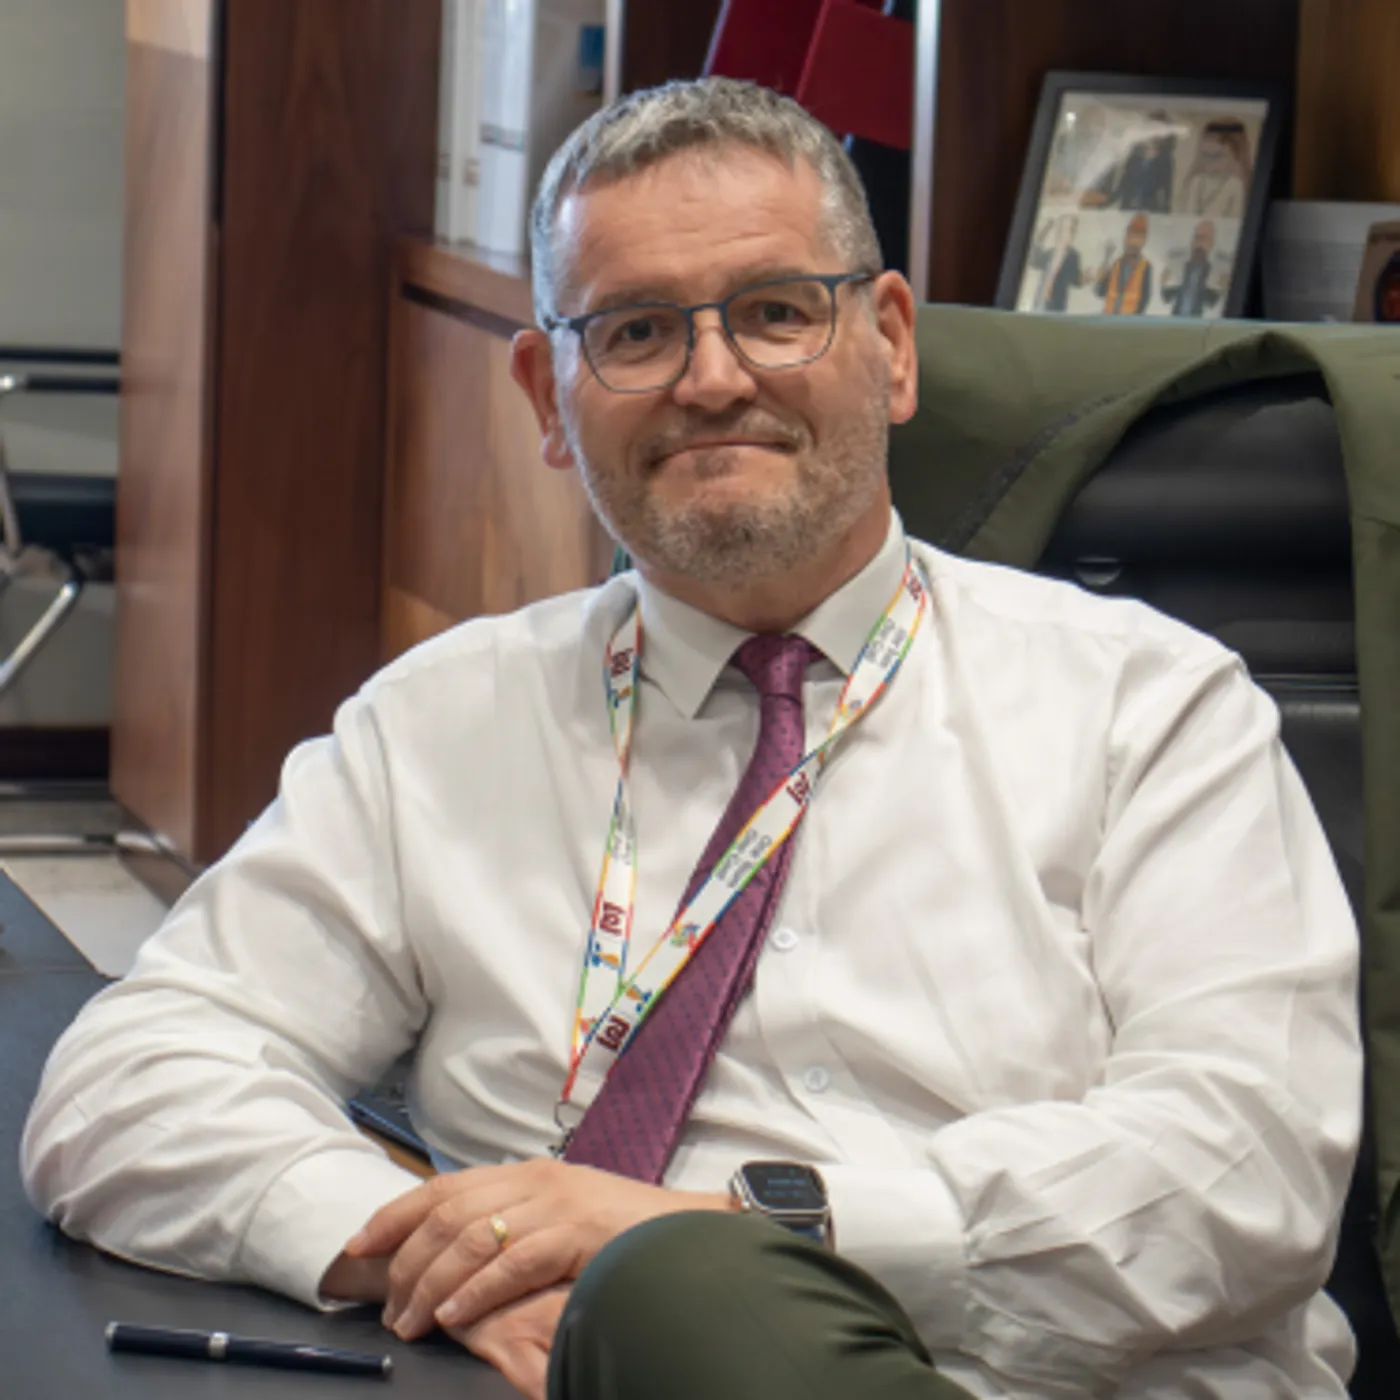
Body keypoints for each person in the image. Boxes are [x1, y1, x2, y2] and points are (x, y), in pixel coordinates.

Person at [22, 78, 1360, 1400]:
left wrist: (728, 1239)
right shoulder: (442, 724)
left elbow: (1245, 1166)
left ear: (892, 345)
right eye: (637, 332)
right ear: (546, 394)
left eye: (777, 311)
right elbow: (127, 1087)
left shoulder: (1149, 709)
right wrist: (467, 1256)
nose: (711, 380)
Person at [1077, 112, 1177, 213]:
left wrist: (1165, 212)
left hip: (1150, 210)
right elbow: (1124, 183)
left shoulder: (1165, 158)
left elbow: (1167, 189)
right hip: (1128, 208)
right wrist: (1106, 201)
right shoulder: (1135, 153)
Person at [1180, 119, 1252, 220]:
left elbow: (1235, 218)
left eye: (1217, 156)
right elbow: (1186, 215)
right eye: (1205, 155)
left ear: (1236, 156)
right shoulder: (1196, 182)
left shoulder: (1236, 185)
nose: (1209, 162)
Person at [1093, 212, 1155, 314]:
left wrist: (1133, 320)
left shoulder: (1146, 267)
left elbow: (1145, 300)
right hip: (1108, 318)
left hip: (1129, 321)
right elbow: (1099, 292)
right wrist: (1100, 279)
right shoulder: (1115, 265)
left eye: (1134, 246)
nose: (1130, 247)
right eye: (1129, 241)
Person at [1024, 213, 1087, 312]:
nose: (1071, 233)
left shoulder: (1073, 256)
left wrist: (1089, 276)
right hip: (1040, 303)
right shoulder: (1050, 253)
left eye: (1073, 230)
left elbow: (1075, 280)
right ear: (1060, 231)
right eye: (1068, 229)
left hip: (1057, 305)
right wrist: (1043, 232)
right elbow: (1034, 261)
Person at [1161, 219, 1225, 317]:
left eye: (1204, 239)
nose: (1200, 243)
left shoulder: (1218, 272)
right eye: (1197, 237)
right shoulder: (1176, 262)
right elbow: (1166, 297)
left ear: (1212, 242)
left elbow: (1213, 303)